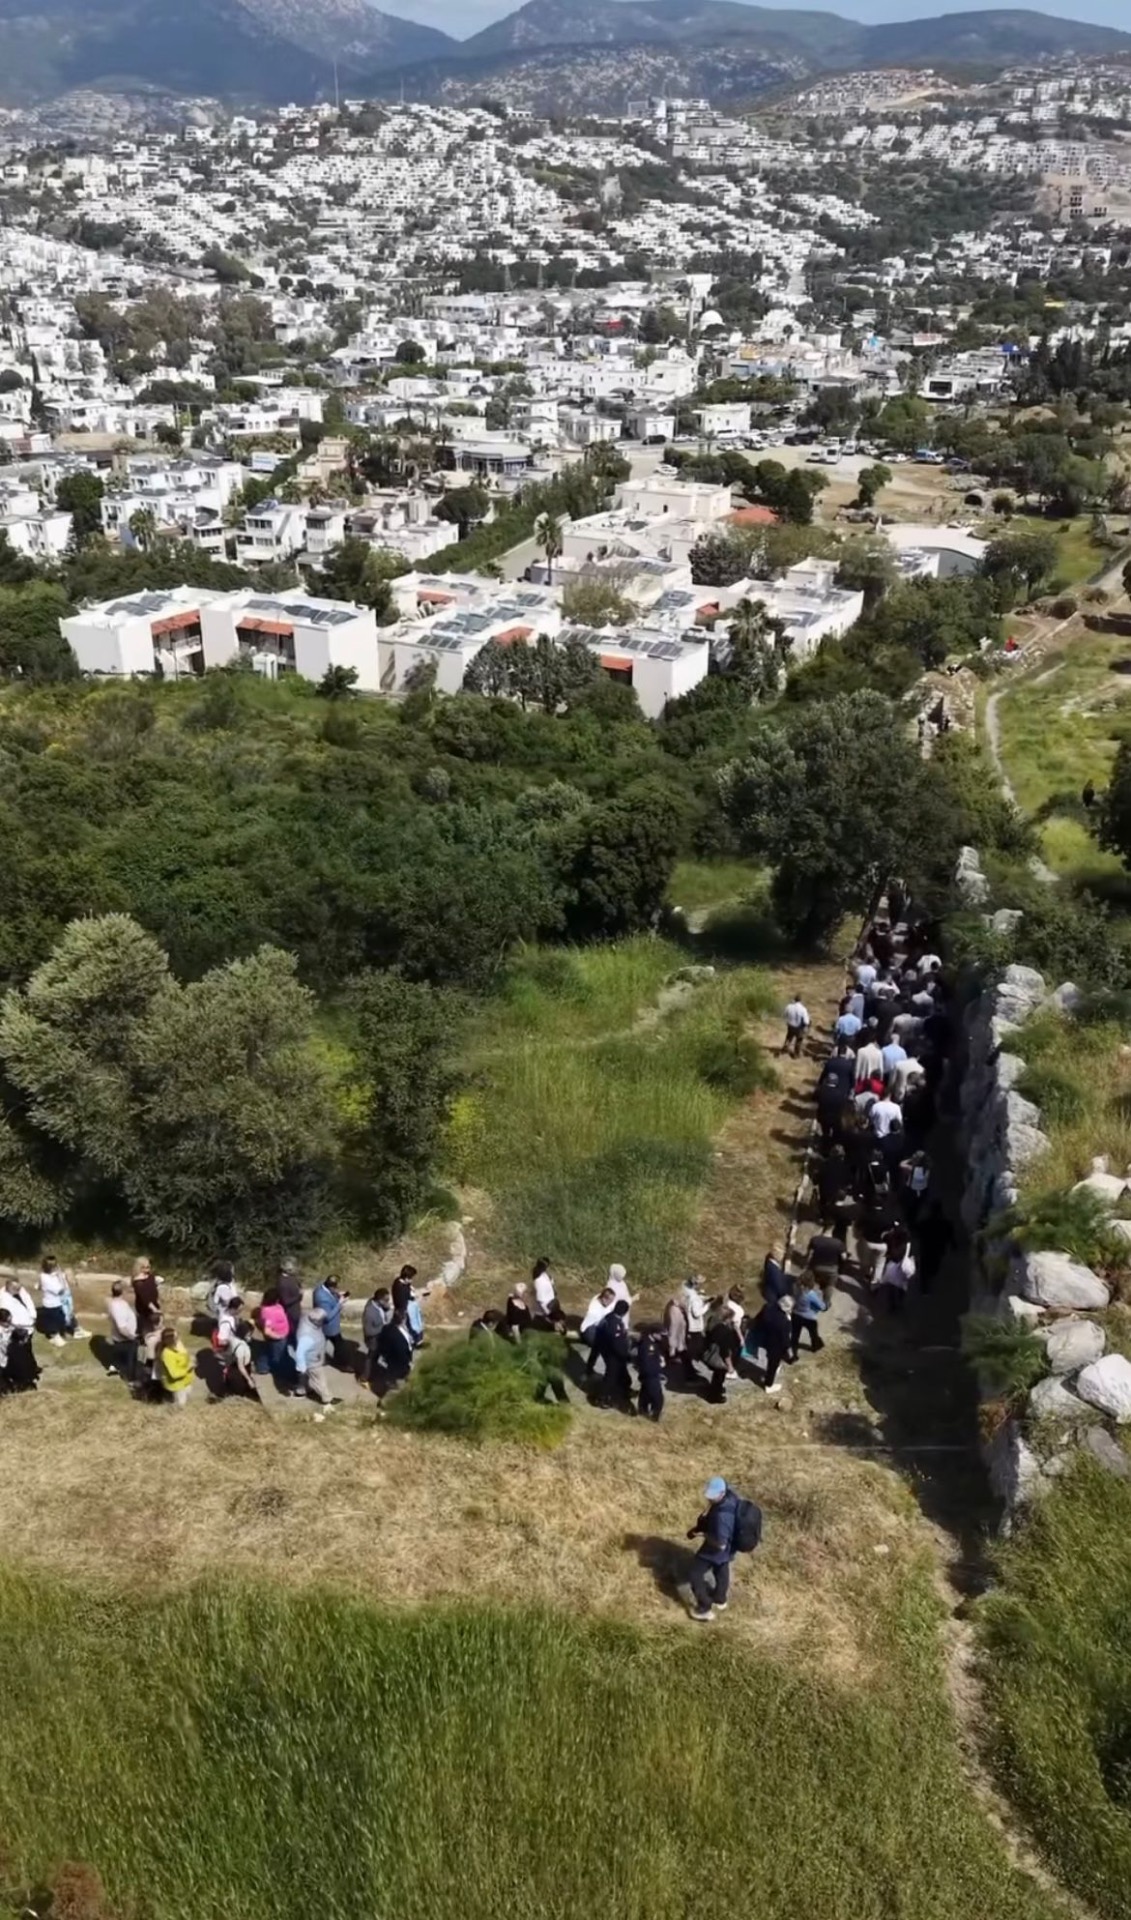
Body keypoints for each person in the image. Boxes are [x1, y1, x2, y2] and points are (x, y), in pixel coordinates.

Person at [686, 1477, 740, 1621]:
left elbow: (720, 1544)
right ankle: (720, 1599)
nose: (709, 1499)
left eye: (712, 1496)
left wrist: (704, 1534)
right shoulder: (731, 1498)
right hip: (729, 1548)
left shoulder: (722, 1517)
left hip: (716, 1548)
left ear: (722, 1493)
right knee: (721, 1567)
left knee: (694, 1573)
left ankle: (704, 1608)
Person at [746, 1292, 790, 1394]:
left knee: (771, 1360)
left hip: (765, 1337)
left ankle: (774, 1370)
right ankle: (768, 1385)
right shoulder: (784, 1321)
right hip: (775, 1345)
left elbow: (758, 1319)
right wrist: (788, 1349)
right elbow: (785, 1339)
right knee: (772, 1365)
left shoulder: (767, 1306)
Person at [592, 1299, 632, 1411]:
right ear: (624, 1312)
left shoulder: (609, 1317)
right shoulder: (614, 1324)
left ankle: (625, 1390)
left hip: (612, 1352)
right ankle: (601, 1398)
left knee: (623, 1375)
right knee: (611, 1377)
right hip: (613, 1355)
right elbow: (617, 1343)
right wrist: (625, 1355)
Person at [38, 1256, 87, 1346]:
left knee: (67, 1316)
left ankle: (75, 1331)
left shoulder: (54, 1274)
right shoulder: (46, 1278)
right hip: (53, 1304)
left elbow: (69, 1275)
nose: (58, 1266)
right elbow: (60, 1290)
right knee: (56, 1321)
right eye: (56, 1265)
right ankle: (54, 1337)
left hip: (61, 1301)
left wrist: (79, 1267)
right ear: (51, 1267)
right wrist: (61, 1277)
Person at [292, 1308, 336, 1408]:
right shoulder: (306, 1336)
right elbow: (300, 1352)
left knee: (305, 1376)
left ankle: (301, 1391)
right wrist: (301, 1367)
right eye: (320, 1321)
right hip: (312, 1360)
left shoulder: (307, 1318)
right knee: (319, 1379)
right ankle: (326, 1399)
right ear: (315, 1321)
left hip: (312, 1357)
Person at [214, 1296, 257, 1397]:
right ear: (233, 1308)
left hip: (235, 1344)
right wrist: (234, 1342)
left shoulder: (228, 1314)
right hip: (232, 1349)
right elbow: (221, 1340)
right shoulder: (225, 1322)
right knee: (235, 1368)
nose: (240, 1311)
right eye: (239, 1309)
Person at [372, 1309, 414, 1400]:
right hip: (399, 1362)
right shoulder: (394, 1334)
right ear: (402, 1319)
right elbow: (400, 1350)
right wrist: (408, 1361)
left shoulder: (388, 1328)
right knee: (398, 1382)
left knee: (395, 1379)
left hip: (395, 1359)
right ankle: (389, 1399)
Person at [702, 1305, 741, 1405]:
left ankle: (715, 1390)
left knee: (716, 1376)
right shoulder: (724, 1331)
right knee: (719, 1377)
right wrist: (730, 1367)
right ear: (727, 1318)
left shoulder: (712, 1322)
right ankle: (715, 1397)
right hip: (718, 1358)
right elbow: (725, 1352)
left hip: (710, 1352)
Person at [132, 1258, 163, 1377]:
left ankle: (154, 1357)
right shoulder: (137, 1282)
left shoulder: (149, 1276)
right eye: (144, 1268)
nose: (147, 1270)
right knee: (147, 1336)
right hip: (146, 1311)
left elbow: (153, 1288)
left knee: (157, 1334)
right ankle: (146, 1362)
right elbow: (145, 1299)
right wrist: (155, 1310)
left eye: (148, 1267)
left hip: (154, 1308)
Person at [312, 1274, 348, 1368]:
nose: (337, 1289)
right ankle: (342, 1364)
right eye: (335, 1287)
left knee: (321, 1342)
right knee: (340, 1345)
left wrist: (337, 1295)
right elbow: (328, 1317)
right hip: (329, 1326)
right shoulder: (322, 1298)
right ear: (331, 1286)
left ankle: (320, 1358)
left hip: (324, 1326)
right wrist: (339, 1304)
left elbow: (331, 1294)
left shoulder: (322, 1287)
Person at [0, 1306, 39, 1394]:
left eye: (11, 1320)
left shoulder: (9, 1328)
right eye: (8, 1321)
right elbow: (4, 1348)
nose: (10, 1323)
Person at [256, 1293, 292, 1386]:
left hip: (282, 1336)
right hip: (277, 1338)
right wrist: (278, 1336)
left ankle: (263, 1368)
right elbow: (267, 1331)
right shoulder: (267, 1311)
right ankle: (282, 1376)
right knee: (279, 1357)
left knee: (267, 1351)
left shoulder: (277, 1306)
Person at [106, 1279, 138, 1381]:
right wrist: (132, 1337)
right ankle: (130, 1379)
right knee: (130, 1362)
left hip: (121, 1339)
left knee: (121, 1358)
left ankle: (115, 1366)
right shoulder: (118, 1307)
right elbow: (122, 1328)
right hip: (126, 1340)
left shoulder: (116, 1303)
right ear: (123, 1291)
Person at [790, 1281, 829, 1360]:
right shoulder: (810, 1294)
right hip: (809, 1318)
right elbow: (822, 1307)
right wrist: (827, 1305)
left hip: (795, 1315)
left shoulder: (795, 1289)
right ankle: (815, 1347)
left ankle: (794, 1354)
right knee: (813, 1334)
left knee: (795, 1336)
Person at [878, 1232, 915, 1313]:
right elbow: (911, 1255)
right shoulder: (908, 1245)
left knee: (891, 1287)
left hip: (893, 1267)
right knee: (902, 1287)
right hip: (903, 1268)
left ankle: (892, 1306)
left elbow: (890, 1253)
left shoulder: (892, 1241)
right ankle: (900, 1303)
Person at [157, 1327, 195, 1408]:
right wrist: (188, 1368)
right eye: (176, 1336)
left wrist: (185, 1354)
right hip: (177, 1385)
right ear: (172, 1339)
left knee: (187, 1404)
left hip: (186, 1381)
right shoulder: (167, 1354)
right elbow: (174, 1374)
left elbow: (183, 1360)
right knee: (181, 1407)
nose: (179, 1338)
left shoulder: (178, 1348)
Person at [580, 1286, 614, 1370]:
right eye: (610, 1301)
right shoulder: (594, 1311)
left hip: (596, 1326)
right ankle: (590, 1367)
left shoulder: (599, 1297)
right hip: (588, 1330)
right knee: (600, 1345)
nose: (611, 1303)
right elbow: (600, 1322)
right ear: (603, 1299)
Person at [635, 1330, 665, 1422]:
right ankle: (654, 1417)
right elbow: (646, 1363)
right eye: (660, 1333)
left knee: (645, 1393)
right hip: (650, 1375)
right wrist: (660, 1366)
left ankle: (642, 1410)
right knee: (658, 1398)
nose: (661, 1336)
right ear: (653, 1333)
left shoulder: (651, 1342)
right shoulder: (648, 1345)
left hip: (648, 1375)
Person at [362, 1287, 392, 1370]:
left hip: (381, 1336)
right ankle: (365, 1377)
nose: (388, 1302)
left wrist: (386, 1308)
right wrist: (384, 1329)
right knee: (371, 1357)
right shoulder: (369, 1313)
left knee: (377, 1355)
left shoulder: (379, 1305)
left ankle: (375, 1369)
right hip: (373, 1340)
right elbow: (368, 1331)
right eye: (386, 1300)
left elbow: (383, 1311)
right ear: (379, 1300)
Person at [662, 1289, 689, 1379]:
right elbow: (672, 1329)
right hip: (675, 1318)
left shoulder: (675, 1307)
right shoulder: (673, 1309)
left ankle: (674, 1353)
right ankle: (671, 1355)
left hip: (678, 1317)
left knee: (678, 1334)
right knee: (673, 1334)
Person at [531, 1257, 564, 1331]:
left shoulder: (542, 1275)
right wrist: (548, 1313)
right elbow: (541, 1302)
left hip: (551, 1301)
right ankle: (552, 1326)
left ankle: (553, 1323)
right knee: (552, 1319)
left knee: (555, 1316)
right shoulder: (539, 1282)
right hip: (548, 1305)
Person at [276, 1264, 303, 1345]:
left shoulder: (291, 1278)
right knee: (291, 1334)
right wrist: (299, 1296)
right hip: (290, 1312)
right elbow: (285, 1301)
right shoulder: (282, 1282)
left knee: (295, 1332)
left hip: (295, 1309)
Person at [782, 992, 811, 1058]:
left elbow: (784, 1015)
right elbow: (806, 1022)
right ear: (801, 1000)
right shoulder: (803, 1009)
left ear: (794, 999)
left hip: (790, 1026)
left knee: (789, 1037)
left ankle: (785, 1047)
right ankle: (796, 1054)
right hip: (799, 1028)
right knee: (799, 1041)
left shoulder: (789, 1006)